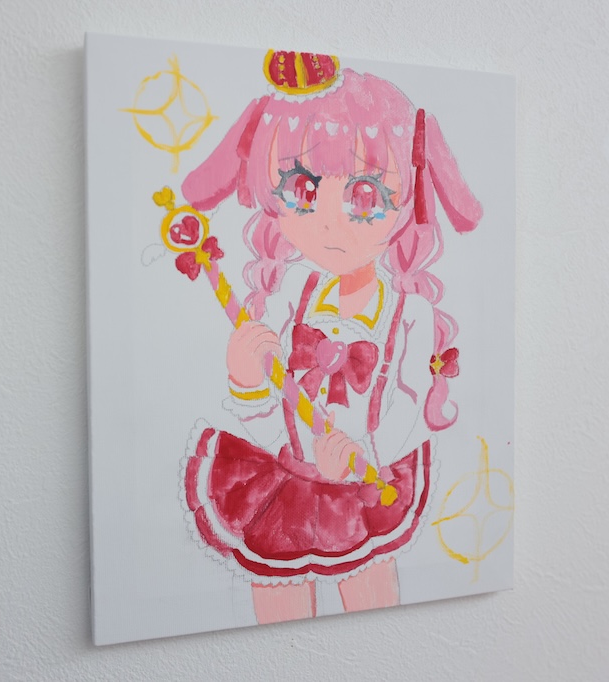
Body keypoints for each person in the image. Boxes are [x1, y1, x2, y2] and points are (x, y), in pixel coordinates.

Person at [179, 50, 482, 624]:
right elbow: (272, 416)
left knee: (374, 609)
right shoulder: (289, 294)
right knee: (276, 607)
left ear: (409, 198)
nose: (328, 221)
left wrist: (362, 455)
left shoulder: (409, 314)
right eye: (300, 188)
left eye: (365, 197)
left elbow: (410, 413)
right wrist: (248, 383)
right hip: (282, 487)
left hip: (366, 494)